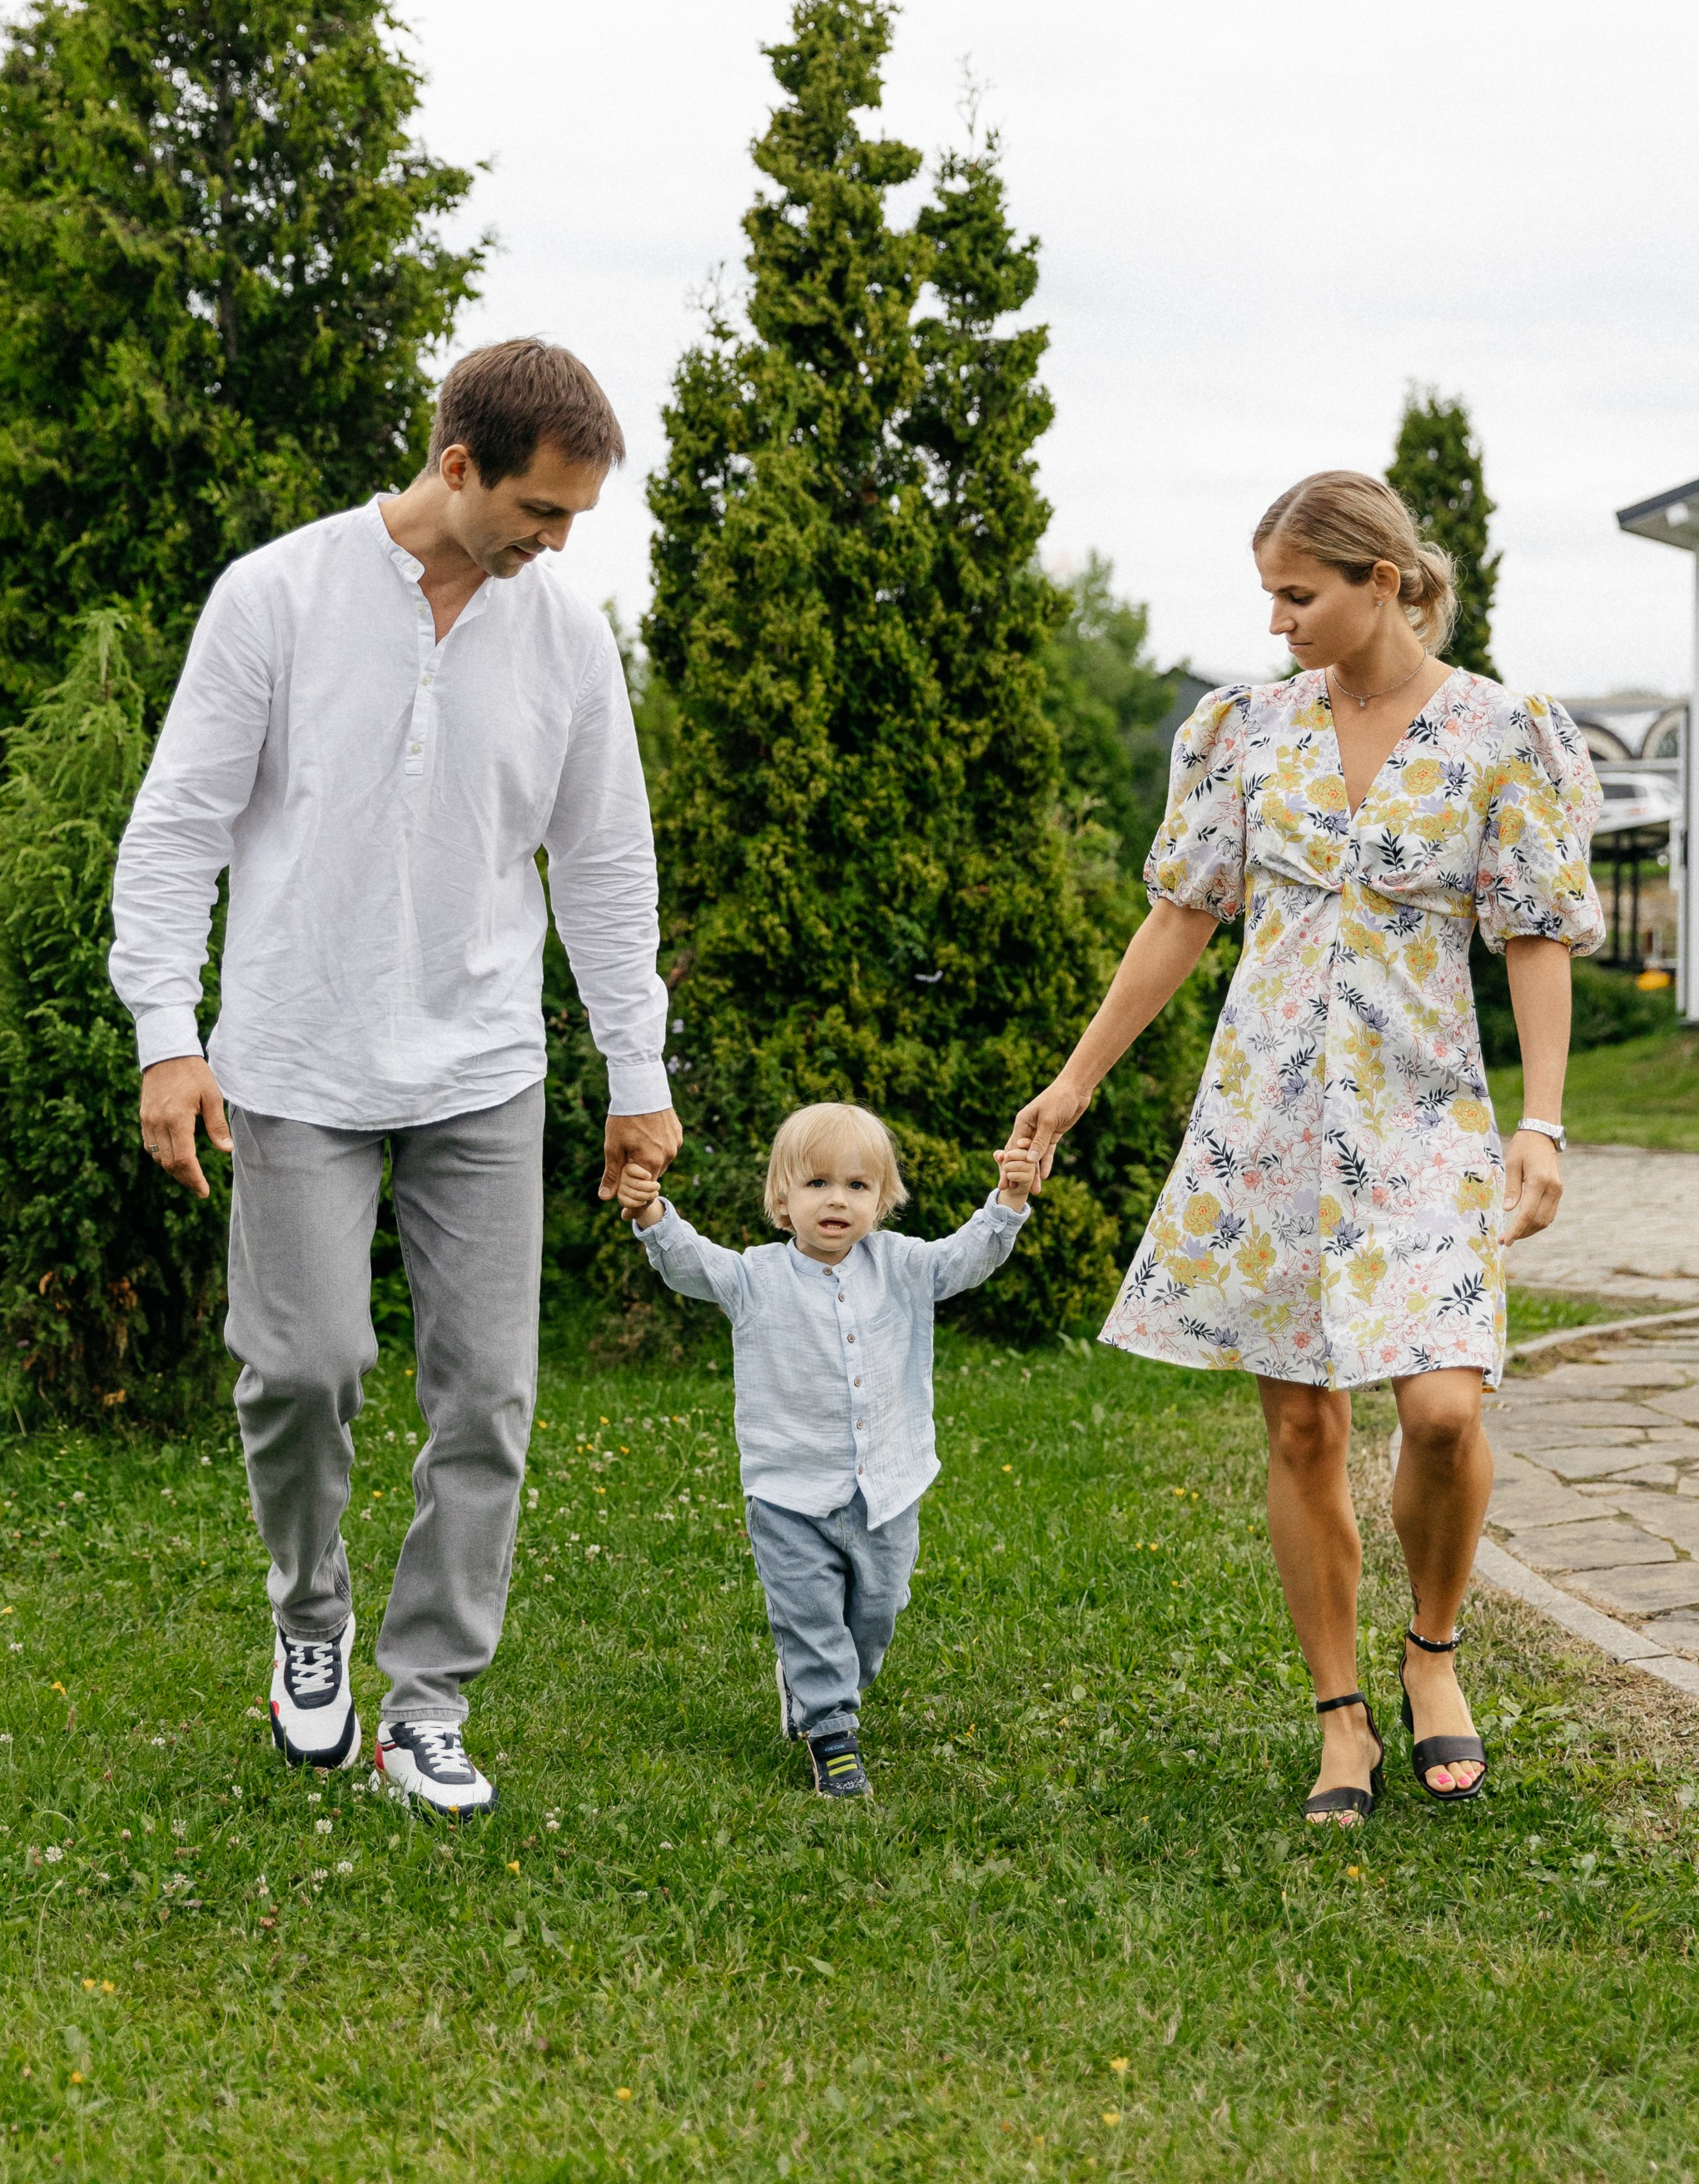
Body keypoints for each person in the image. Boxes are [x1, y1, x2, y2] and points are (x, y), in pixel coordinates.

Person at [109, 339, 681, 1819]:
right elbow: (179, 828)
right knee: (302, 1372)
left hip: (482, 1064)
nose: (557, 545)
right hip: (295, 1055)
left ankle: (426, 1706)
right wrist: (167, 1033)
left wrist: (638, 1068)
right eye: (543, 513)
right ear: (455, 467)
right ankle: (312, 1624)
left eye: (574, 522)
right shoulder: (278, 596)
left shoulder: (564, 639)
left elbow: (607, 863)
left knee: (485, 1398)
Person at [1006, 470, 1603, 1826]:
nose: (1274, 620)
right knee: (1302, 1426)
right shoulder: (1240, 732)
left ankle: (1432, 1653)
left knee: (1445, 1413)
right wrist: (1073, 1084)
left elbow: (1535, 935)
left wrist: (1545, 1121)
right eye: (1266, 594)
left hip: (1424, 1113)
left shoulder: (1502, 733)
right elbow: (1181, 917)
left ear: (1380, 582)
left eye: (1298, 593)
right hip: (1266, 1119)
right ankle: (1341, 1714)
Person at [616, 1104, 1036, 1798]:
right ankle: (831, 1728)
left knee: (876, 1614)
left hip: (887, 1490)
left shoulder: (904, 1267)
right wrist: (653, 1212)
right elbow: (692, 1264)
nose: (837, 1199)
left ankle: (827, 1680)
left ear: (883, 1199)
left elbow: (969, 1257)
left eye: (857, 1186)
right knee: (810, 1617)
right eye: (816, 1184)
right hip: (789, 1495)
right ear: (783, 1201)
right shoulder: (756, 1278)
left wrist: (1010, 1201)